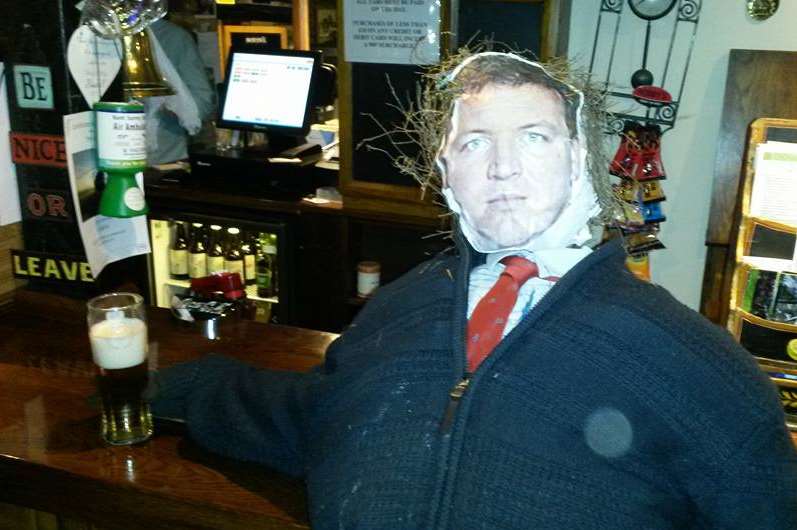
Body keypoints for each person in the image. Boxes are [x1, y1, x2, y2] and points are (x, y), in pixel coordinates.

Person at [150, 52, 797, 529]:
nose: (502, 166)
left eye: (535, 137)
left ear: (578, 161)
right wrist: (173, 385)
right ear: (444, 171)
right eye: (475, 142)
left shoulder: (694, 365)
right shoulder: (397, 311)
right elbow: (317, 414)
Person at [145, 18, 216, 165]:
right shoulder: (93, 33)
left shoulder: (172, 37)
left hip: (161, 162)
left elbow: (202, 102)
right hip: (95, 164)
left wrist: (170, 103)